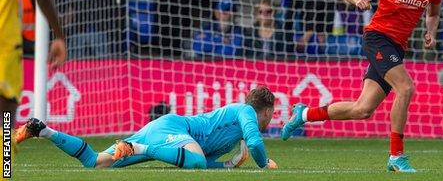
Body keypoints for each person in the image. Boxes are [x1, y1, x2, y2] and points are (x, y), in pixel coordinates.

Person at [281, 0, 443, 173]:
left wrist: (430, 31)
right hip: (378, 37)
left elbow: (433, 13)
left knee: (363, 109)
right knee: (406, 87)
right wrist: (357, 1)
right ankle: (396, 156)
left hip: (397, 47)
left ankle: (304, 114)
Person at [16, 86, 278, 170]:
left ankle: (42, 130)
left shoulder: (235, 126)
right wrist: (264, 164)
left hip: (166, 135)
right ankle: (136, 147)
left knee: (96, 162)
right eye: (271, 115)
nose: (269, 120)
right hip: (172, 129)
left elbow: (199, 159)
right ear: (265, 111)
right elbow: (255, 142)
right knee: (196, 161)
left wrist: (228, 166)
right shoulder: (245, 112)